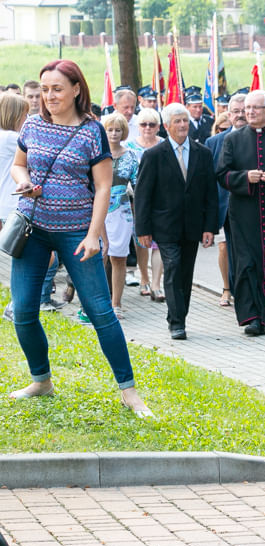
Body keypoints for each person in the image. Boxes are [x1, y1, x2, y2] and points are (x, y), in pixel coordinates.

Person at [8, 59, 153, 416]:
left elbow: (104, 188)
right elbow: (18, 163)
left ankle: (129, 391)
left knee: (101, 312)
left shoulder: (92, 132)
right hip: (34, 229)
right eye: (44, 89)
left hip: (76, 233)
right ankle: (41, 380)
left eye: (57, 88)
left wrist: (92, 236)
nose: (49, 95)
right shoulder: (33, 124)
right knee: (24, 312)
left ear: (76, 89)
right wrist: (22, 182)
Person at [135, 103, 219, 340]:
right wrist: (143, 229)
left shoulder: (202, 153)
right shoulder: (154, 156)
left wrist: (209, 227)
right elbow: (143, 194)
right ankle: (176, 321)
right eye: (178, 121)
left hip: (192, 225)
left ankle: (181, 315)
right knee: (172, 266)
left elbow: (210, 193)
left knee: (185, 272)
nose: (183, 125)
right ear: (167, 126)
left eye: (185, 121)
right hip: (164, 226)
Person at [216, 89, 265, 336]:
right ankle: (251, 317)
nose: (249, 112)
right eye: (246, 108)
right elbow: (222, 174)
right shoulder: (233, 139)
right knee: (246, 265)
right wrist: (245, 178)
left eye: (255, 108)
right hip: (244, 214)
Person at [205, 93, 246, 307]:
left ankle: (245, 292)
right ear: (228, 115)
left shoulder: (257, 139)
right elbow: (208, 179)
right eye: (236, 112)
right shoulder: (214, 142)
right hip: (222, 207)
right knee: (224, 249)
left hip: (249, 208)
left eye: (243, 111)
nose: (240, 115)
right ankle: (227, 288)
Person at [125, 106, 164, 302]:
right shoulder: (130, 147)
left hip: (161, 200)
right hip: (137, 201)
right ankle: (144, 279)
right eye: (143, 124)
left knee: (159, 243)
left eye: (152, 124)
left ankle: (157, 284)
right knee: (142, 240)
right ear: (138, 126)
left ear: (158, 127)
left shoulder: (164, 145)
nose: (147, 128)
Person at [101, 113, 138, 319]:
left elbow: (138, 183)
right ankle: (98, 302)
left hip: (121, 210)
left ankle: (116, 303)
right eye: (110, 129)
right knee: (98, 256)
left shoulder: (131, 156)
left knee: (119, 257)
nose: (114, 134)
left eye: (117, 130)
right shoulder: (96, 154)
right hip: (97, 209)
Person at [0, 93, 30, 322]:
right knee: (23, 257)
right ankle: (17, 304)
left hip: (6, 203)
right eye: (25, 114)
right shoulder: (12, 138)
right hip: (13, 204)